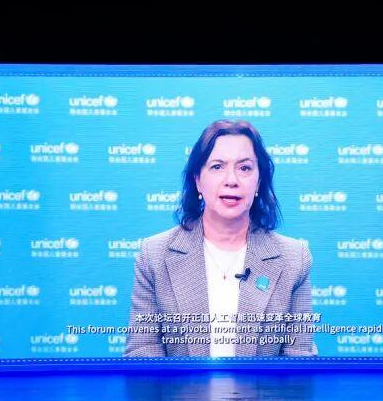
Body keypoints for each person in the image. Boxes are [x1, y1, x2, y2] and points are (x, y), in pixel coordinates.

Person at [125, 120, 316, 357]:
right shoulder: (154, 256)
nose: (231, 180)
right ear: (197, 179)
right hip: (180, 384)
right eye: (217, 167)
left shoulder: (294, 259)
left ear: (259, 181)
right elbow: (143, 352)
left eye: (244, 168)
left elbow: (298, 359)